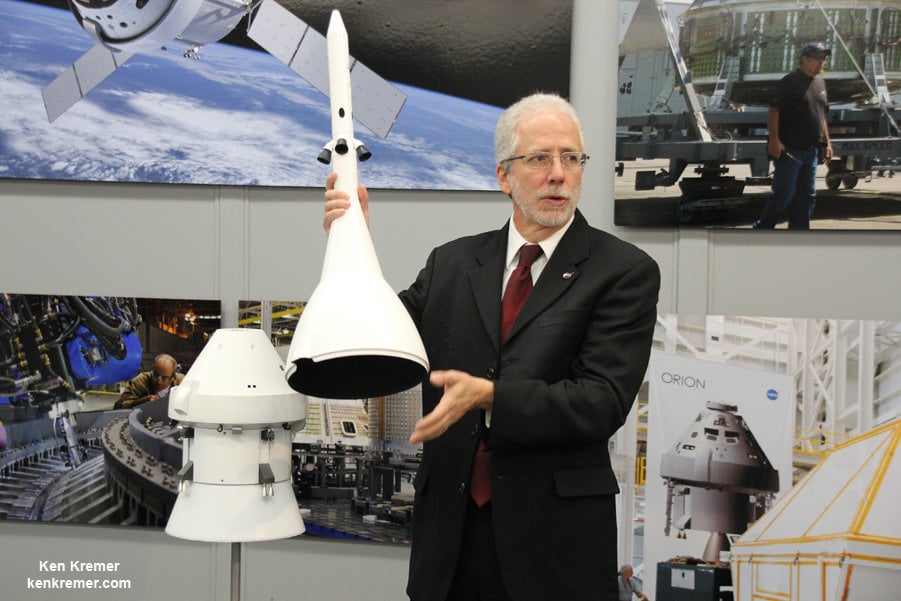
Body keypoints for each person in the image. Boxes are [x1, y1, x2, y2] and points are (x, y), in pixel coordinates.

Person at [324, 93, 660, 601]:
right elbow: (379, 340)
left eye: (571, 158)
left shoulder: (623, 272)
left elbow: (601, 400)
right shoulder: (452, 264)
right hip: (450, 544)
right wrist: (352, 244)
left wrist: (490, 396)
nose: (559, 174)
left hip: (554, 552)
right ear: (504, 176)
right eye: (540, 158)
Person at [753, 42, 833, 229]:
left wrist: (827, 143)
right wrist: (774, 140)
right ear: (805, 59)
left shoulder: (820, 83)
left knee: (807, 196)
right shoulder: (789, 82)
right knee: (784, 194)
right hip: (790, 150)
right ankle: (763, 228)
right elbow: (774, 110)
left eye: (823, 58)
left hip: (812, 151)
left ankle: (799, 232)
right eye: (817, 58)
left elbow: (821, 116)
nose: (821, 62)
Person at [114, 353, 183, 409]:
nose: (158, 381)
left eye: (164, 378)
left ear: (173, 378)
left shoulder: (182, 382)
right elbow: (120, 406)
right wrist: (142, 402)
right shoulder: (140, 381)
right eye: (155, 374)